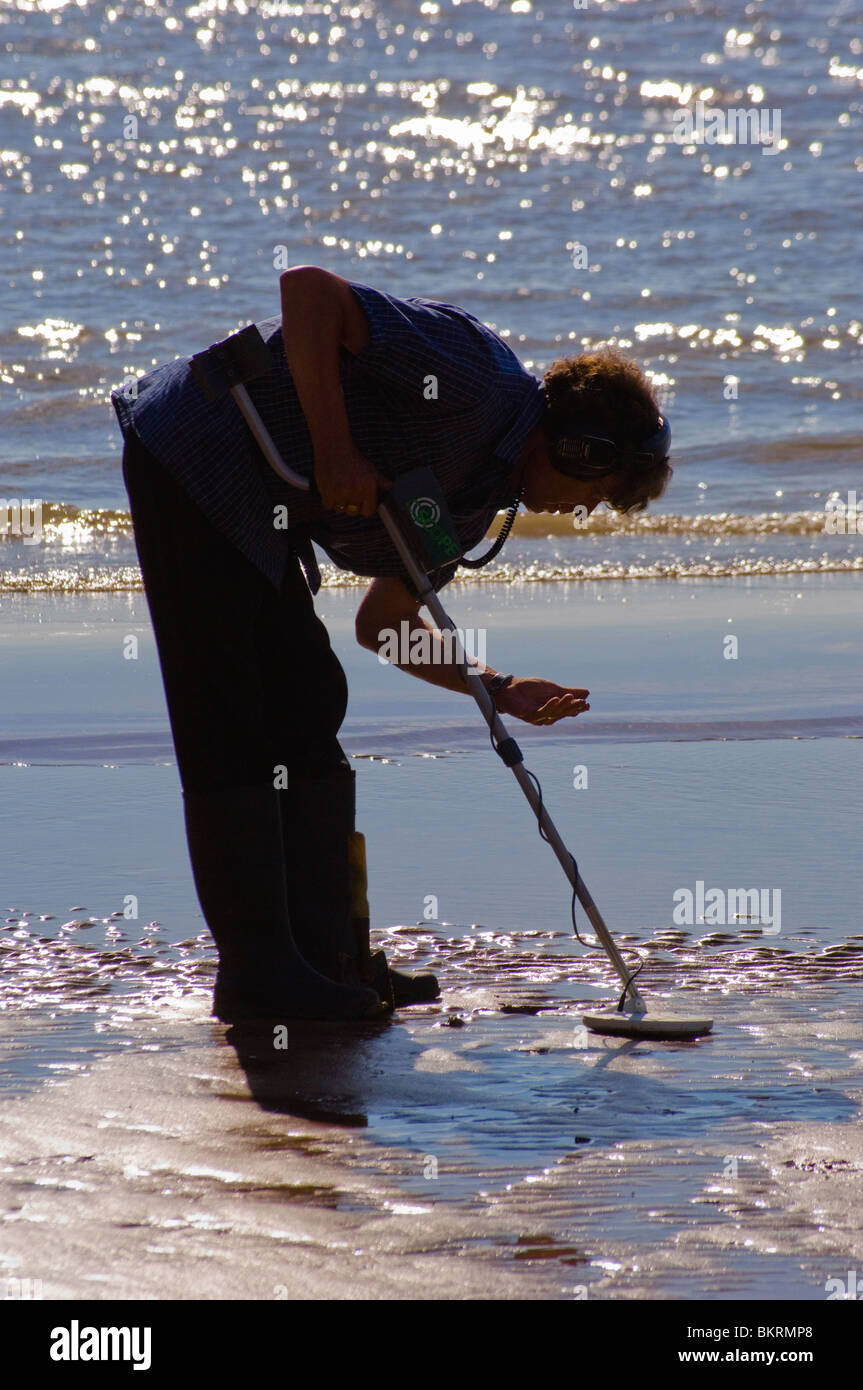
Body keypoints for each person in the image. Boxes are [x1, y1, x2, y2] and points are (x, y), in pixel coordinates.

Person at [112, 266, 671, 1024]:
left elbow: (384, 624)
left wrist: (497, 685)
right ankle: (259, 977)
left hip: (266, 502)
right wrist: (335, 450)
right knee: (230, 716)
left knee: (309, 697)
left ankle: (331, 959)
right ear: (578, 449)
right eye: (595, 490)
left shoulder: (474, 509)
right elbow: (308, 292)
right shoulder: (474, 377)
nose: (584, 508)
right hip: (198, 444)